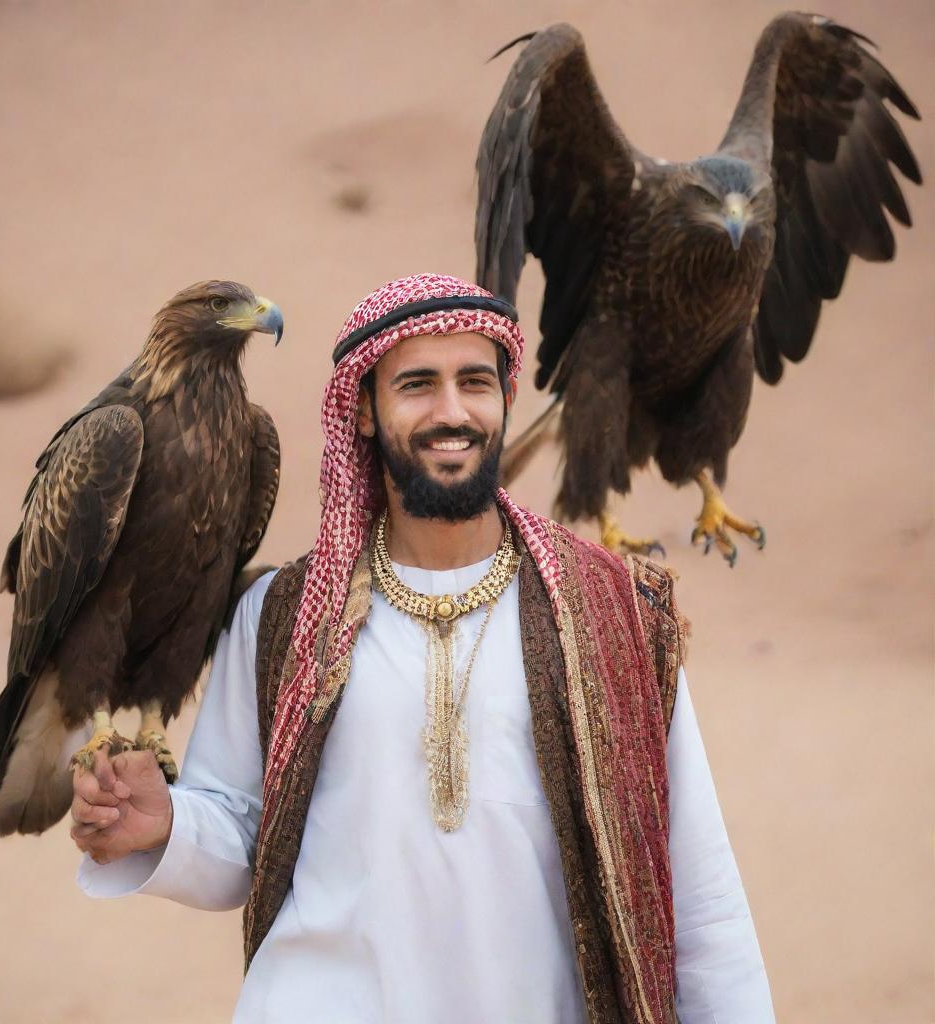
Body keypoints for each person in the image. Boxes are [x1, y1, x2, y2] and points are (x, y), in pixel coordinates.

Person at [72, 274, 775, 1023]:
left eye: (475, 381)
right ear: (366, 412)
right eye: (416, 385)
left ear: (507, 399)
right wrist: (167, 826)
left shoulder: (614, 611)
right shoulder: (283, 614)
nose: (451, 412)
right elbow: (244, 835)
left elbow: (700, 898)